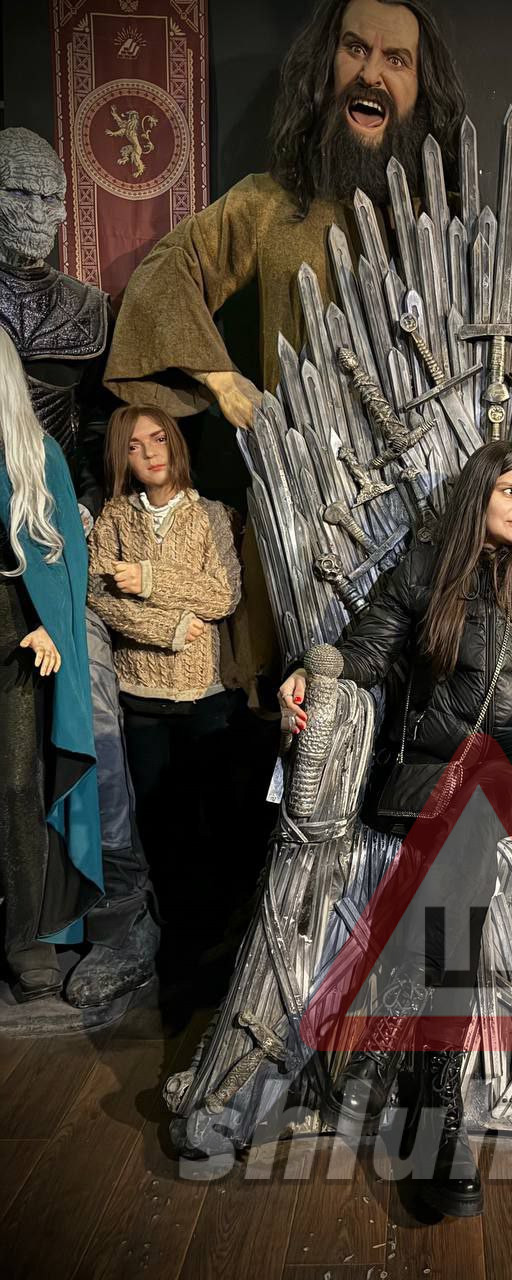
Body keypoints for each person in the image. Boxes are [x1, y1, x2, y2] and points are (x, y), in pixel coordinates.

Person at [279, 441, 512, 1216]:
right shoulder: (426, 568)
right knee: (473, 806)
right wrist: (309, 671)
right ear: (479, 493)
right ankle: (436, 1097)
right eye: (509, 490)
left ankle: (415, 1064)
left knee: (485, 799)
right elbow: (364, 653)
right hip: (426, 775)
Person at [104, 0, 465, 426]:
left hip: (432, 455)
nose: (370, 74)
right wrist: (222, 380)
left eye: (396, 59)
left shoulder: (448, 221)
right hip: (308, 455)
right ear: (327, 64)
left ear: (421, 87)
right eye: (355, 49)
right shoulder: (267, 202)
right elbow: (164, 273)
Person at [0, 125, 157, 1010]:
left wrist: (89, 511)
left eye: (54, 197)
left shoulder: (85, 311)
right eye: (20, 194)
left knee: (90, 704)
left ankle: (117, 904)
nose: (41, 213)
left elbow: (100, 426)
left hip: (57, 535)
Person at [86, 407, 241, 935]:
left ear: (176, 442)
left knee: (210, 815)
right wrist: (167, 628)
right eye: (135, 446)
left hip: (204, 696)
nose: (151, 453)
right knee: (156, 820)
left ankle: (216, 929)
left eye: (158, 439)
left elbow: (222, 594)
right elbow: (97, 594)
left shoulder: (211, 515)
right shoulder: (115, 517)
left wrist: (149, 577)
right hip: (139, 694)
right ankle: (169, 932)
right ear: (122, 458)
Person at [0, 327, 102, 1001]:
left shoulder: (36, 457)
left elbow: (65, 563)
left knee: (16, 785)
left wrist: (45, 627)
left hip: (16, 645)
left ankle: (27, 937)